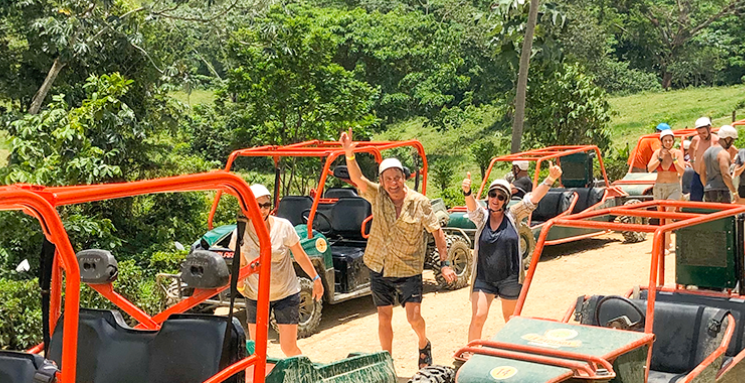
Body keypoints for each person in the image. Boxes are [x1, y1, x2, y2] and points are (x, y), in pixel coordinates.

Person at [339, 129, 456, 367]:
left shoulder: (419, 202)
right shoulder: (377, 195)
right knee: (384, 316)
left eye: (397, 177)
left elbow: (437, 232)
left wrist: (444, 264)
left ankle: (424, 344)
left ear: (404, 177)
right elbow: (358, 179)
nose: (393, 183)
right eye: (388, 179)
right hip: (378, 265)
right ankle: (387, 361)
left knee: (414, 318)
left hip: (408, 268)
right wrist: (349, 154)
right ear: (382, 181)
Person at [461, 164, 562, 342]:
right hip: (484, 277)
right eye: (493, 194)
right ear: (488, 196)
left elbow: (532, 200)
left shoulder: (513, 216)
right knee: (478, 317)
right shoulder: (482, 218)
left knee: (510, 320)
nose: (496, 199)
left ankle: (512, 353)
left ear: (506, 200)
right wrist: (467, 192)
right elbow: (472, 209)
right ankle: (469, 354)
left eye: (501, 197)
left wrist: (550, 179)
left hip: (509, 277)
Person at [233, 183, 324, 357]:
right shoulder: (241, 232)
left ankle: (302, 374)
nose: (262, 210)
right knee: (256, 349)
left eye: (266, 205)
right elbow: (242, 261)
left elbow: (299, 255)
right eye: (257, 205)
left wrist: (316, 278)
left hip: (285, 293)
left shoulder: (283, 227)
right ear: (248, 207)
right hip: (256, 295)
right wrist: (240, 281)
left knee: (288, 348)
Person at [701, 125, 739, 204]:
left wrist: (707, 186)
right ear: (728, 138)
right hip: (721, 190)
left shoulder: (706, 152)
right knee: (725, 215)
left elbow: (702, 174)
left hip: (708, 190)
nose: (732, 143)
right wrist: (734, 192)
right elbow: (725, 174)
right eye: (732, 141)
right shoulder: (723, 154)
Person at [689, 117, 714, 201]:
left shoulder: (716, 141)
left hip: (711, 176)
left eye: (704, 133)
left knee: (712, 200)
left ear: (710, 129)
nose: (702, 135)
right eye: (699, 133)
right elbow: (691, 148)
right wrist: (692, 160)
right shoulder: (696, 139)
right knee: (694, 200)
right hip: (698, 174)